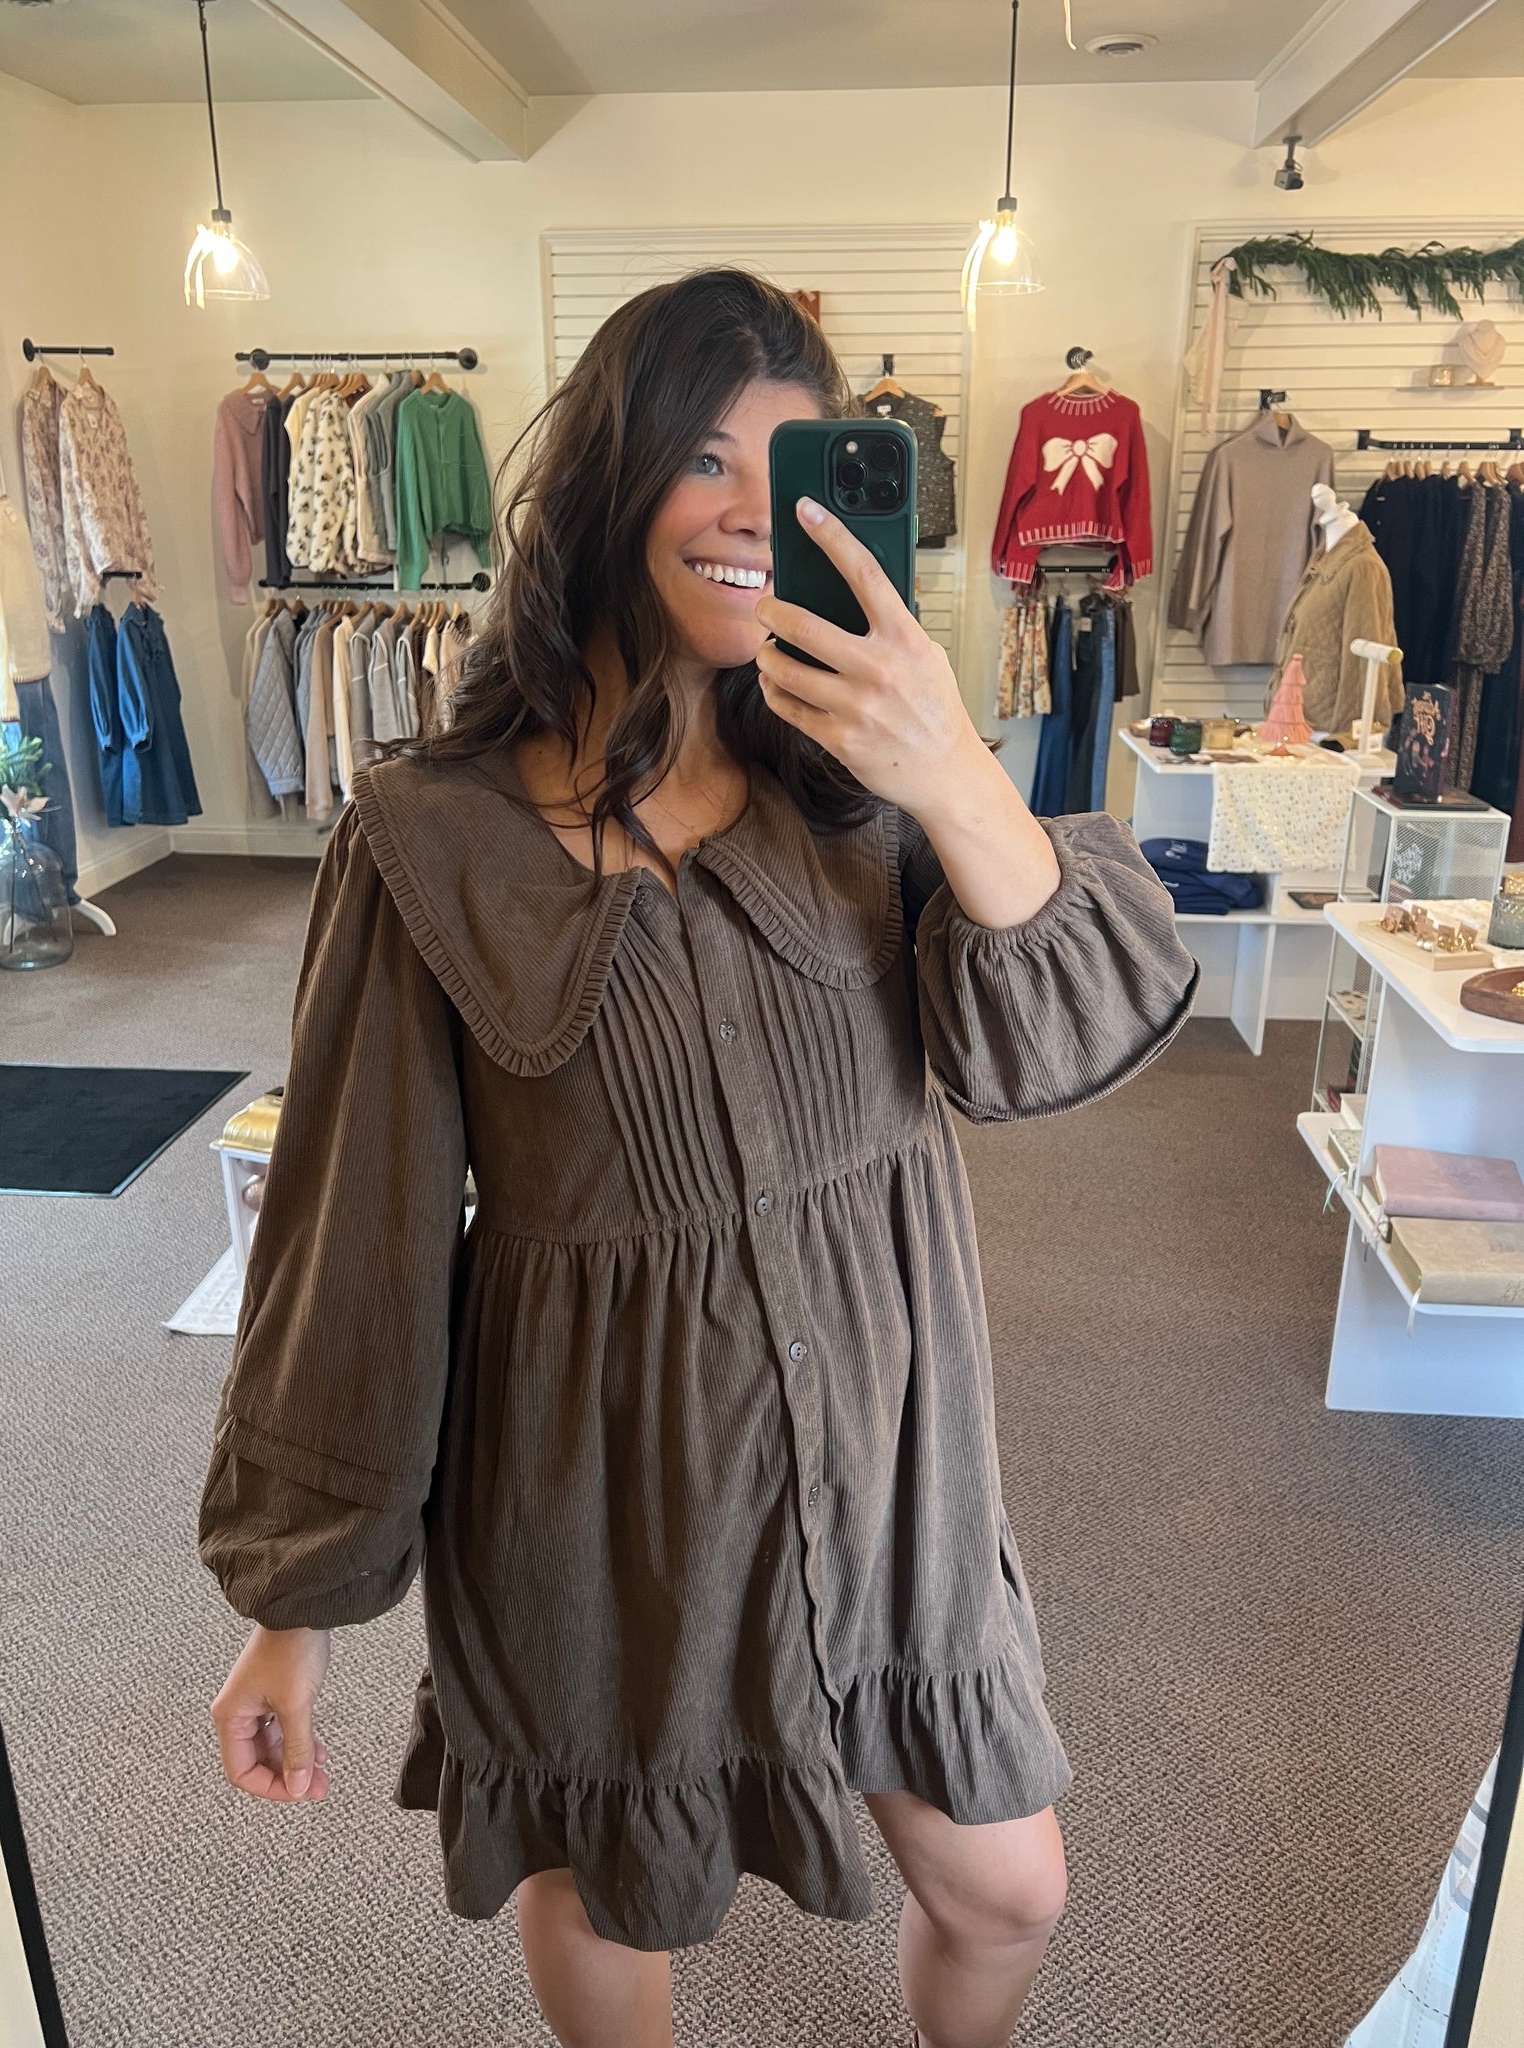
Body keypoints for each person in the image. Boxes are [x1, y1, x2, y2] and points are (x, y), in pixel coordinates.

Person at [199, 268, 1198, 2048]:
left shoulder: (862, 775)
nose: (751, 511)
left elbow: (1051, 1047)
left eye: (788, 465)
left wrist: (954, 769)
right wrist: (296, 1608)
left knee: (1009, 1887)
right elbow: (356, 1240)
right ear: (615, 473)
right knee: (610, 1881)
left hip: (889, 1473)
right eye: (706, 457)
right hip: (601, 1508)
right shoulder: (430, 837)